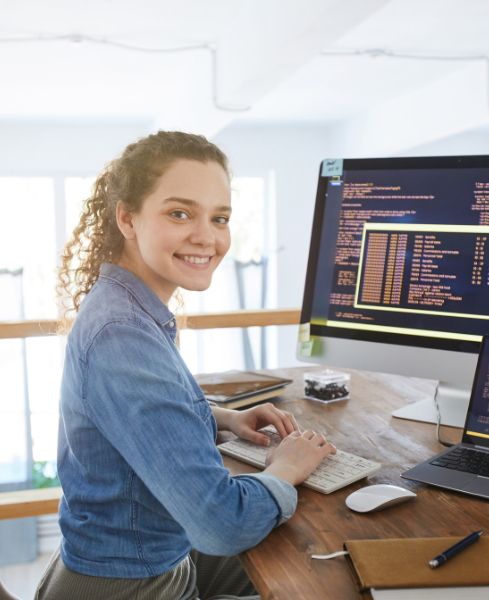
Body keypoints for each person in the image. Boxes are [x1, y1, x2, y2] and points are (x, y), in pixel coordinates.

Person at [36, 131, 336, 600]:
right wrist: (284, 469)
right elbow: (222, 526)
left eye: (220, 218)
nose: (207, 237)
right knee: (326, 584)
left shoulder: (127, 308)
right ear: (127, 218)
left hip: (139, 559)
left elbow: (130, 414)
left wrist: (220, 417)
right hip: (129, 586)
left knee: (309, 565)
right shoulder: (122, 334)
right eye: (180, 213)